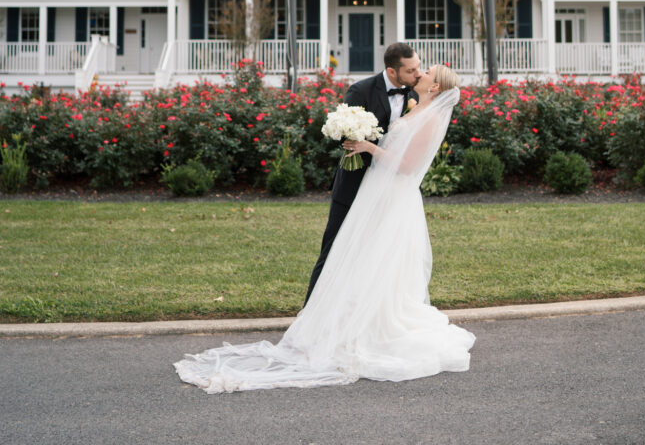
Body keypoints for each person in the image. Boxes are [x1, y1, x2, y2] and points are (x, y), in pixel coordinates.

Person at [174, 64, 475, 393]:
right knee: (360, 257)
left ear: (435, 89)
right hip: (377, 192)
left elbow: (407, 166)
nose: (420, 76)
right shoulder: (418, 109)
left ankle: (374, 328)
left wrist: (370, 147)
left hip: (393, 200)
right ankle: (346, 322)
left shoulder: (429, 119)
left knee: (379, 261)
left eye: (427, 74)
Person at [303, 41, 422, 303]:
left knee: (380, 253)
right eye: (411, 70)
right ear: (392, 72)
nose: (418, 75)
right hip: (354, 183)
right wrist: (355, 136)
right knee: (333, 247)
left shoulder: (414, 94)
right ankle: (310, 310)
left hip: (390, 188)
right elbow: (341, 135)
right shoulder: (361, 90)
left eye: (418, 69)